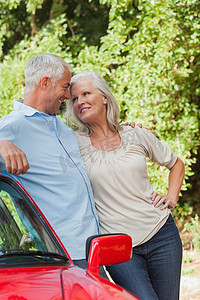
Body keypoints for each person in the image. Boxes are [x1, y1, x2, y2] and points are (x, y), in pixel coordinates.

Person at [67, 71, 185, 300]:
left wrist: (172, 197)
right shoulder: (72, 143)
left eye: (86, 93)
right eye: (74, 98)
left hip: (162, 235)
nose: (79, 101)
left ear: (104, 97)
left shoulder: (135, 134)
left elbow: (176, 164)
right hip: (118, 248)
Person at [0, 53, 101, 270]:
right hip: (63, 255)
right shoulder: (12, 127)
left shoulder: (63, 129)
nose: (67, 95)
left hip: (94, 248)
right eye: (65, 87)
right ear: (45, 82)